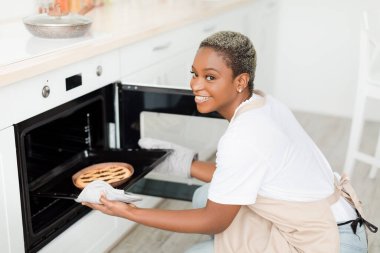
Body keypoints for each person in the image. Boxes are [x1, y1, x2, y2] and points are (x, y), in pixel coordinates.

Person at [83, 31, 377, 252]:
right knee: (201, 197)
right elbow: (250, 173)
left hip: (328, 242)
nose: (196, 85)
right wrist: (184, 163)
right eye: (195, 74)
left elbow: (214, 220)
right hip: (332, 219)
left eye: (210, 77)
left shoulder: (244, 135)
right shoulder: (263, 103)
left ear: (240, 81)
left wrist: (129, 211)